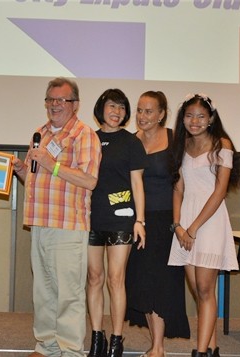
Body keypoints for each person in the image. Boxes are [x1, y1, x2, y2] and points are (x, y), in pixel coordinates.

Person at [12, 77, 101, 357]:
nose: (54, 105)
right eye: (50, 100)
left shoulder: (84, 134)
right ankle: (47, 346)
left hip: (68, 226)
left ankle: (71, 350)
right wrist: (20, 169)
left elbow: (89, 181)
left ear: (75, 105)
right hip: (39, 222)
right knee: (44, 291)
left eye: (61, 100)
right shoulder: (40, 133)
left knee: (69, 294)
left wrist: (53, 164)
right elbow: (35, 179)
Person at [167, 94, 240, 357]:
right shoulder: (182, 144)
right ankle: (211, 349)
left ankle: (199, 352)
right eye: (189, 116)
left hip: (208, 222)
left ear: (210, 118)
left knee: (206, 288)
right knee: (198, 291)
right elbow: (178, 188)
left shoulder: (223, 144)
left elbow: (220, 191)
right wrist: (178, 226)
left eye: (200, 116)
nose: (194, 121)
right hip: (185, 222)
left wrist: (194, 228)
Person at [127, 91, 190, 357]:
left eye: (149, 111)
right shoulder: (131, 142)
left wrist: (178, 223)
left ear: (162, 113)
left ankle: (158, 347)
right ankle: (156, 345)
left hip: (167, 219)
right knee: (143, 282)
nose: (143, 117)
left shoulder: (176, 138)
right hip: (139, 221)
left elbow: (182, 183)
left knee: (163, 282)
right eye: (139, 110)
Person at [86, 89, 146, 357]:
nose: (117, 112)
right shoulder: (88, 139)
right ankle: (96, 337)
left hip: (122, 218)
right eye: (112, 106)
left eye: (122, 107)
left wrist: (140, 220)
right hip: (90, 217)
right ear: (101, 107)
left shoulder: (131, 142)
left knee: (115, 278)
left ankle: (116, 339)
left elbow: (137, 183)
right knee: (94, 277)